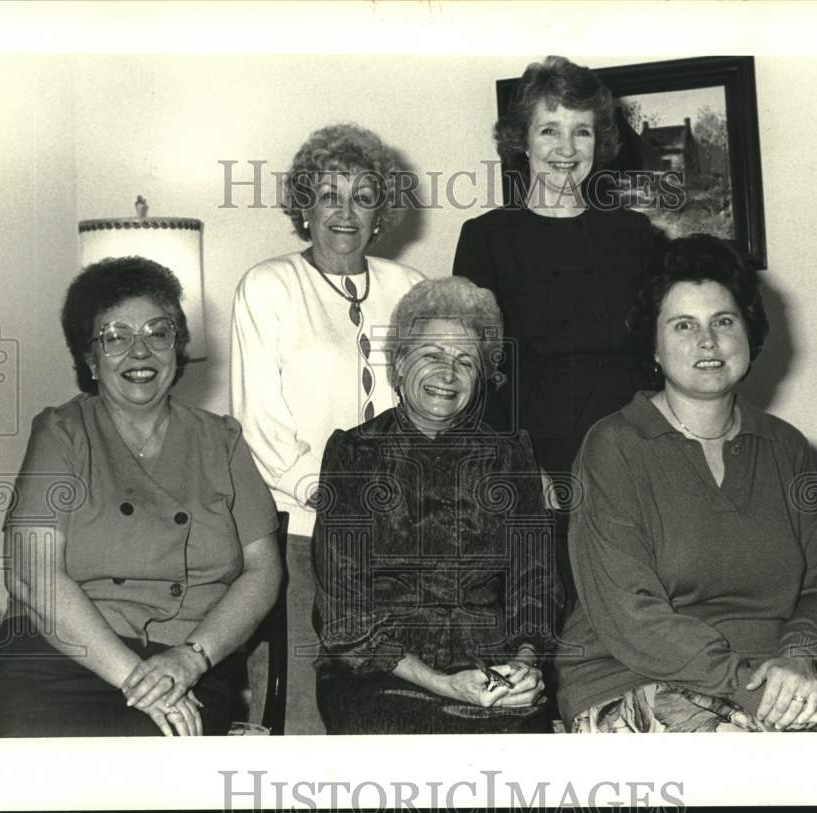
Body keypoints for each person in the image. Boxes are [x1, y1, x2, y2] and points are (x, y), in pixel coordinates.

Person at [556, 235, 817, 733]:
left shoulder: (787, 448)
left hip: (773, 677)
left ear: (749, 333)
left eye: (723, 320)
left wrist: (802, 658)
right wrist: (746, 687)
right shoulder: (613, 446)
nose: (707, 341)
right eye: (682, 325)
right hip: (628, 677)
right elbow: (630, 612)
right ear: (652, 346)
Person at [0, 257, 282, 737]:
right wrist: (134, 677)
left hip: (186, 666)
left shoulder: (223, 440)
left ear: (179, 346)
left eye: (158, 332)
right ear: (89, 359)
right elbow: (32, 577)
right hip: (62, 657)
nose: (140, 351)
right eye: (115, 336)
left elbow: (264, 570)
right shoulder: (61, 432)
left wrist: (191, 660)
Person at [230, 123, 424, 734]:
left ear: (380, 212)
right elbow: (258, 422)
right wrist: (335, 495)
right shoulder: (269, 286)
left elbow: (436, 407)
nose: (345, 212)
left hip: (403, 534)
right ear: (304, 208)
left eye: (363, 197)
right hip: (302, 533)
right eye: (328, 195)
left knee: (396, 703)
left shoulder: (411, 289)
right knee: (300, 710)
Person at [312, 277, 562, 734]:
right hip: (381, 677)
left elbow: (536, 584)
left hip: (492, 671)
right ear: (400, 363)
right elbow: (343, 612)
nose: (448, 374)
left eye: (465, 361)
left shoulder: (510, 456)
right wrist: (442, 683)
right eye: (432, 355)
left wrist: (523, 665)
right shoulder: (353, 454)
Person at [453, 55, 658, 489]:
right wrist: (517, 462)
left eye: (581, 131)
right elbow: (471, 367)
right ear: (522, 141)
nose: (566, 149)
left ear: (597, 143)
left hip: (630, 458)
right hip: (531, 467)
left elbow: (655, 358)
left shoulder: (634, 234)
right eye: (549, 130)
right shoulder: (485, 238)